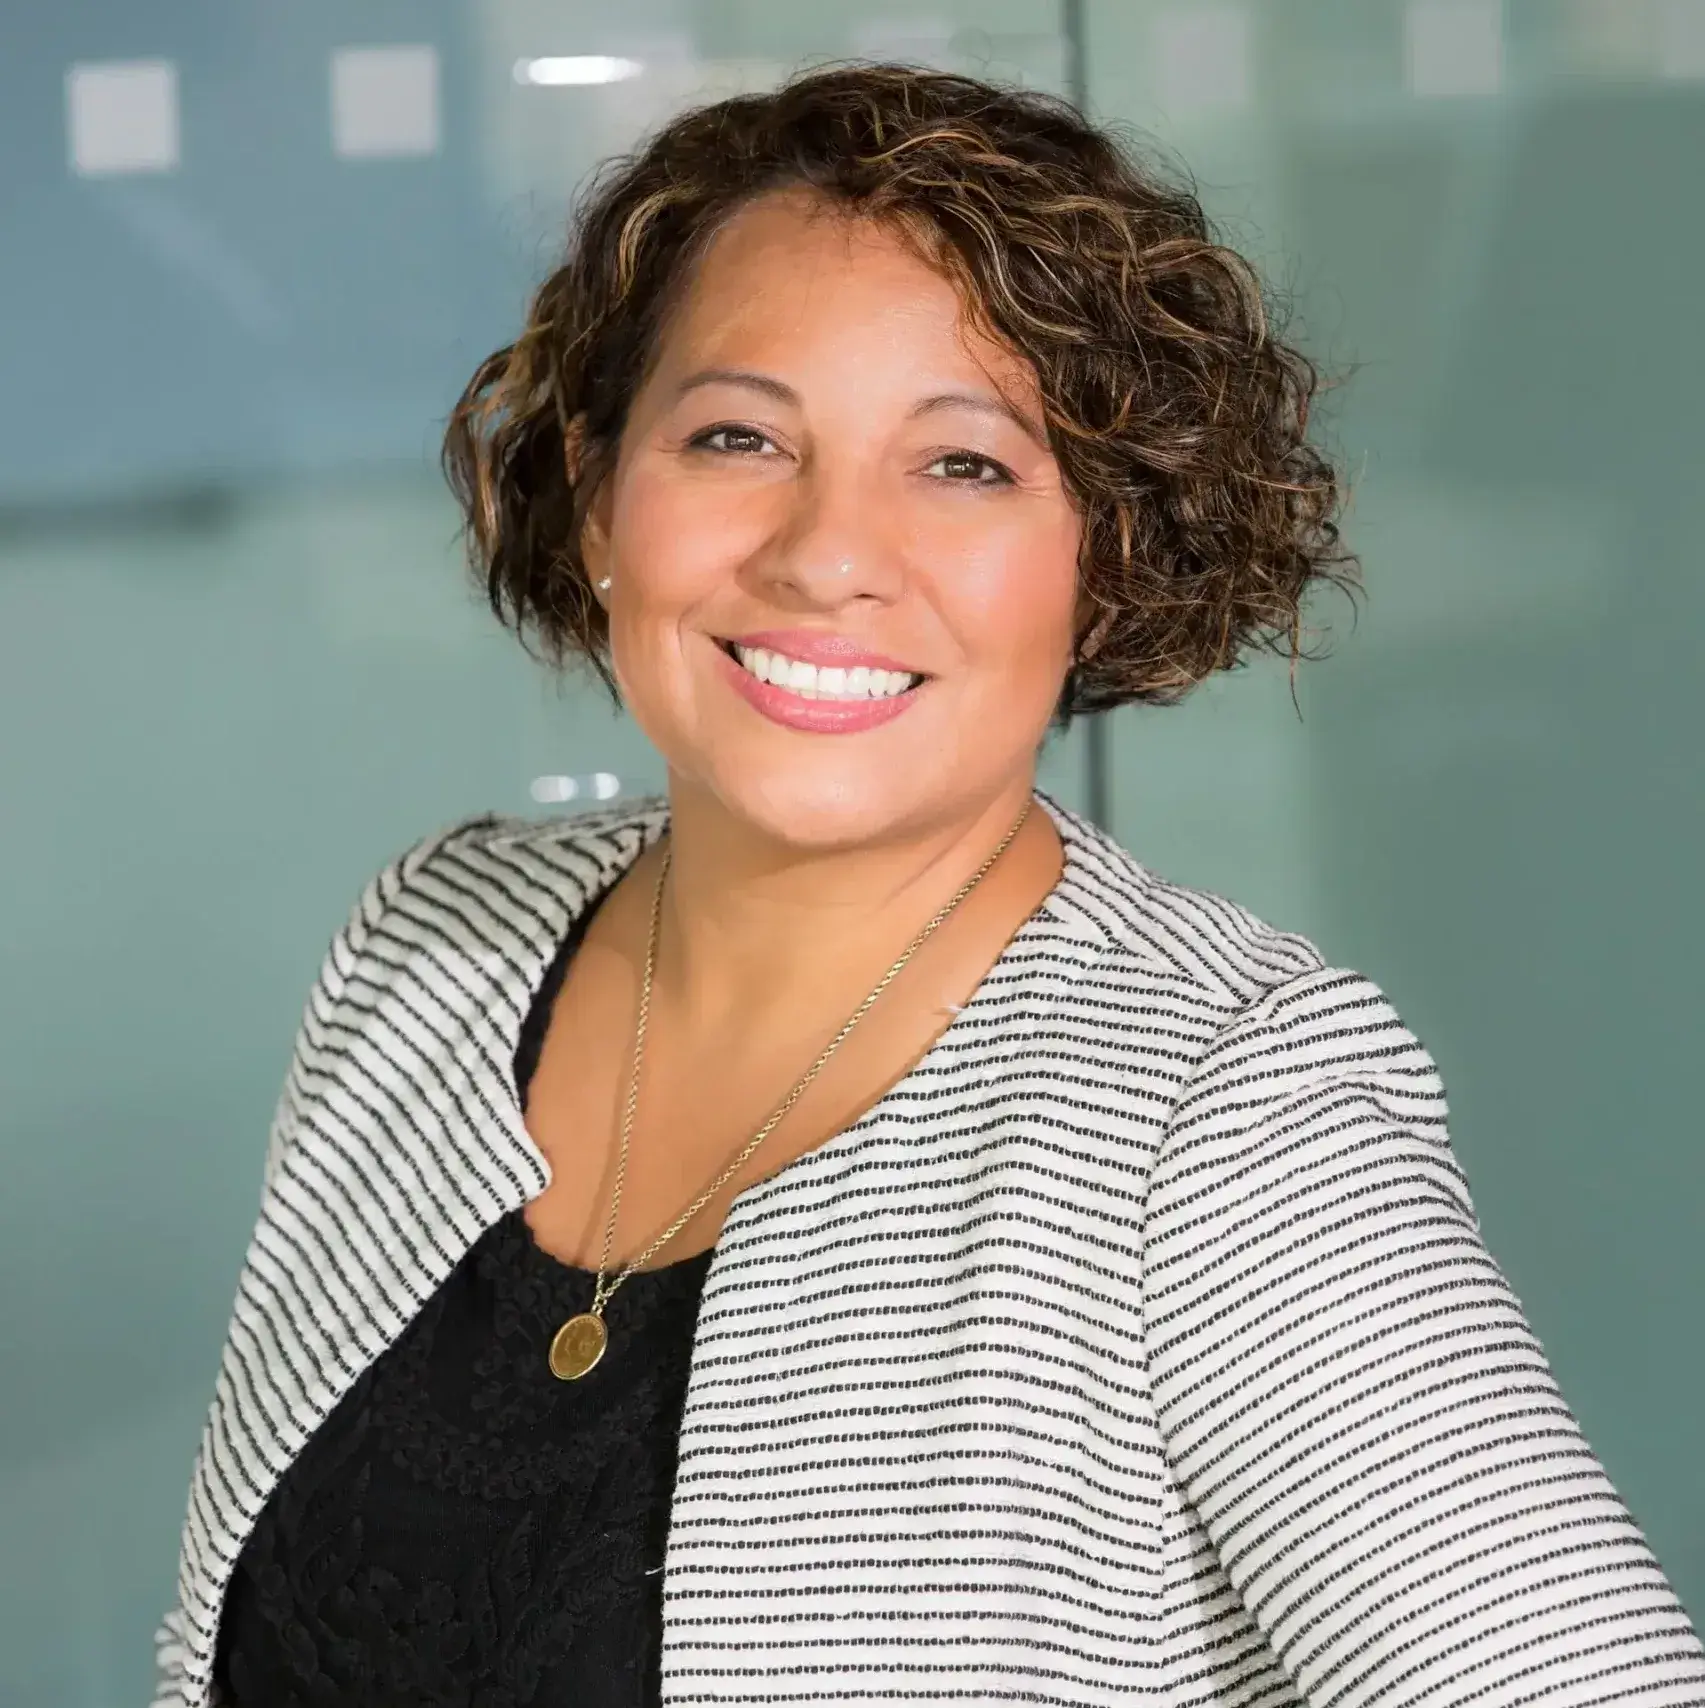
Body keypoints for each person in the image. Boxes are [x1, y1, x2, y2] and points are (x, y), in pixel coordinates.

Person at [154, 62, 1705, 1708]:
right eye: (738, 435)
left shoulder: (1222, 1116)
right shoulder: (429, 948)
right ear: (603, 493)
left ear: (1106, 552)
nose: (827, 553)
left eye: (963, 463)